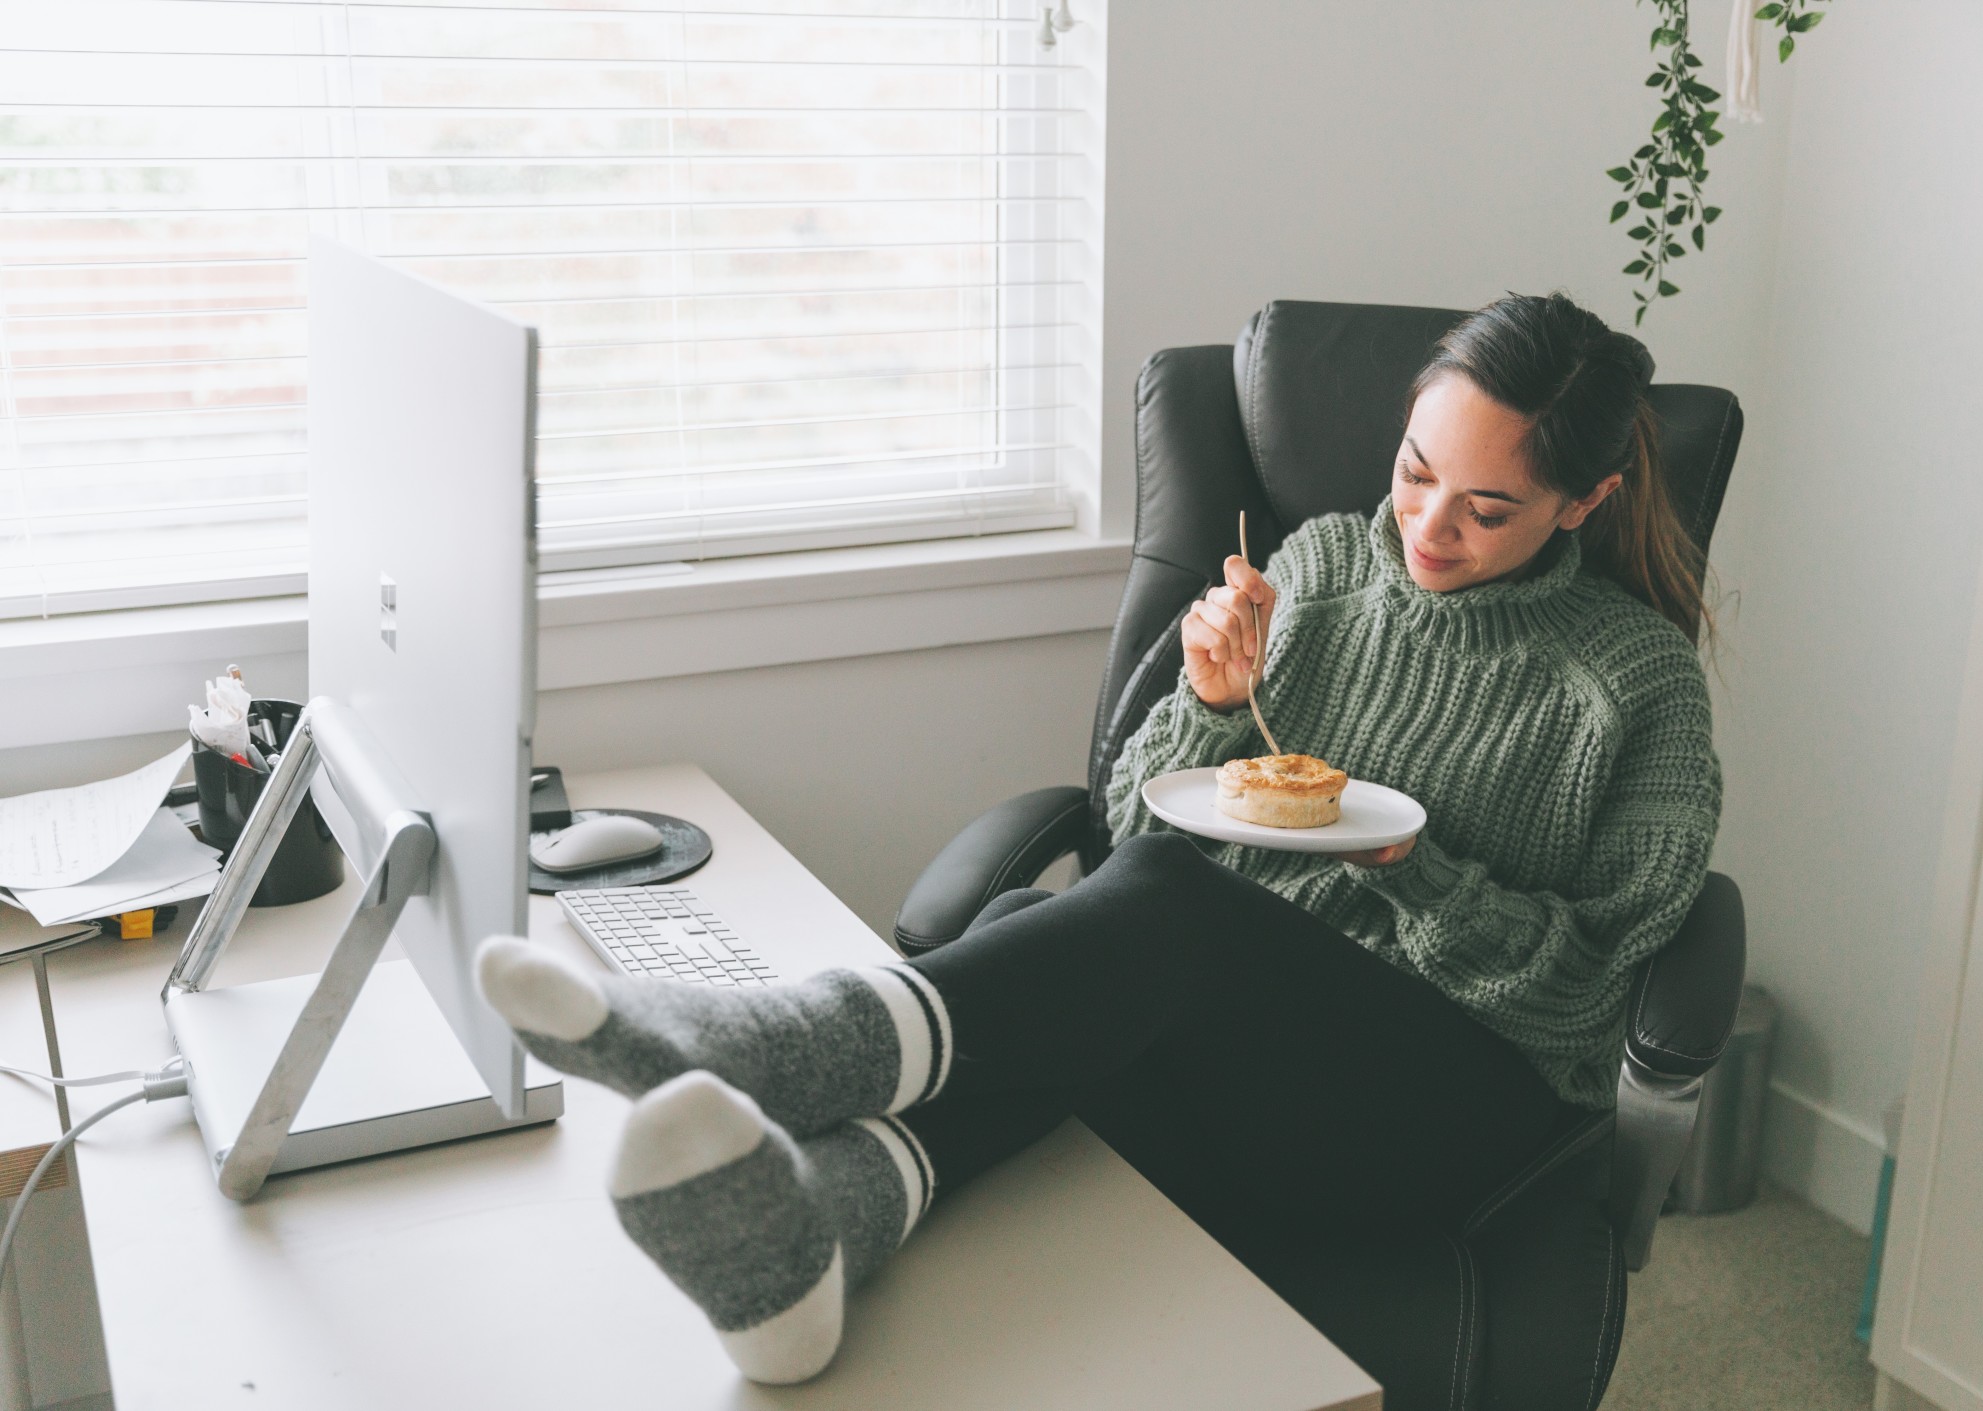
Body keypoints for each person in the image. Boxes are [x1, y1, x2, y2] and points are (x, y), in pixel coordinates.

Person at [473, 291, 1722, 1385]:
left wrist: (1410, 866)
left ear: (1585, 500)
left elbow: (1584, 1000)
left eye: (1485, 509)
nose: (1426, 525)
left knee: (1155, 912)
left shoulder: (1637, 686)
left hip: (1450, 1100)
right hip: (1241, 1041)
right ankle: (816, 1243)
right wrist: (1215, 707)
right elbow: (1137, 816)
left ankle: (795, 1040)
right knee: (1037, 934)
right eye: (1411, 470)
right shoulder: (1324, 566)